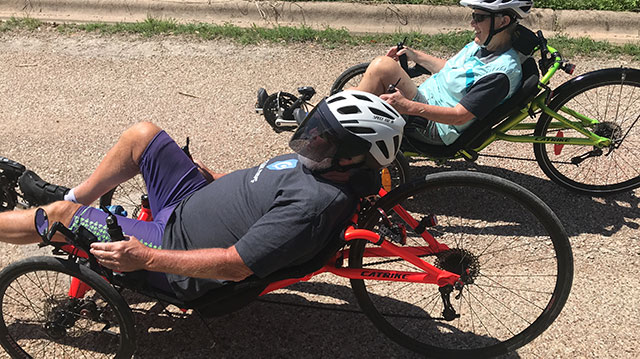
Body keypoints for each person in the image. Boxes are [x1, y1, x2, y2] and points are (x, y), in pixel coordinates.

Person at [0, 90, 405, 302]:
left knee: (59, 217)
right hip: (191, 201)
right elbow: (258, 186)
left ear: (353, 158)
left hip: (173, 250)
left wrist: (146, 258)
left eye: (324, 137)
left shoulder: (314, 207)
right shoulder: (322, 163)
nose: (312, 138)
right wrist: (213, 178)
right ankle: (76, 195)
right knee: (144, 136)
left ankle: (58, 209)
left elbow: (235, 267)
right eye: (317, 128)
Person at [355, 0, 533, 146]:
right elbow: (451, 70)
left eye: (479, 17)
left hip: (436, 126)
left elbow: (459, 116)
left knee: (383, 67)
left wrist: (408, 107)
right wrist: (414, 55)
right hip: (426, 101)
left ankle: (346, 137)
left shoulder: (499, 74)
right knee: (357, 94)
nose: (472, 23)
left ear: (503, 22)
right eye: (473, 16)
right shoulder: (485, 45)